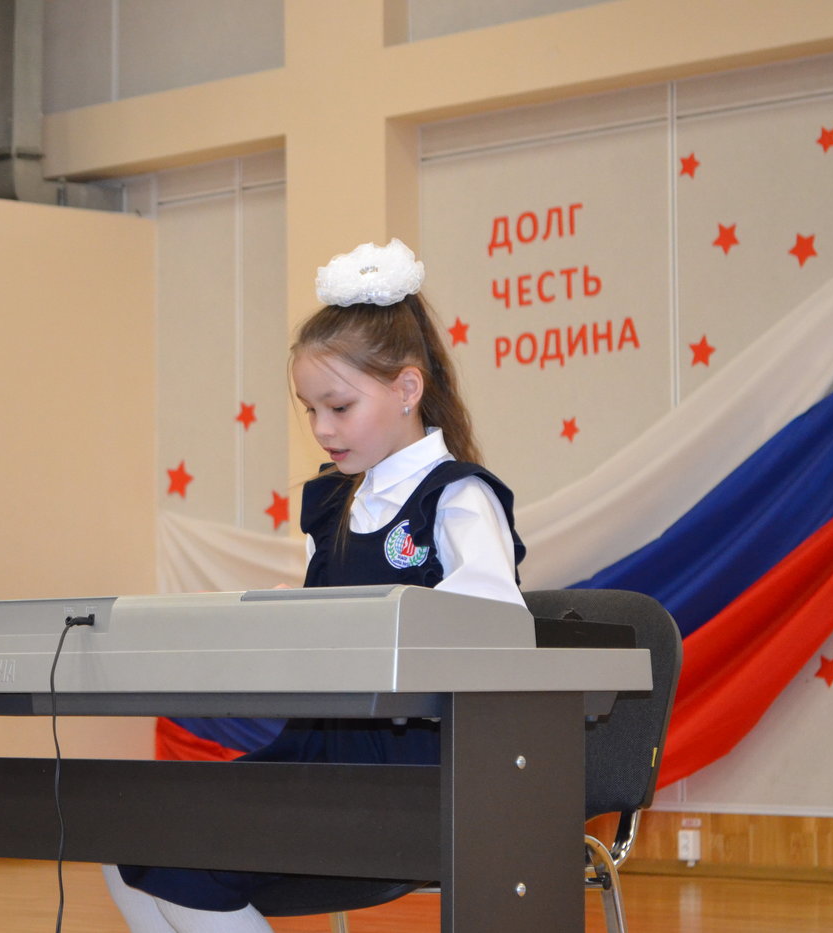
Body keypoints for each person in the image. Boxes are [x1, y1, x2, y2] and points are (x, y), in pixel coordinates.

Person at [102, 238, 526, 933]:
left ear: (407, 390)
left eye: (339, 406)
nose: (323, 429)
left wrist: (347, 624)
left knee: (185, 865)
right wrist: (292, 622)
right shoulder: (331, 504)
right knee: (122, 838)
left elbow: (495, 642)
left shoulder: (457, 498)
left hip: (416, 770)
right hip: (323, 749)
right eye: (310, 410)